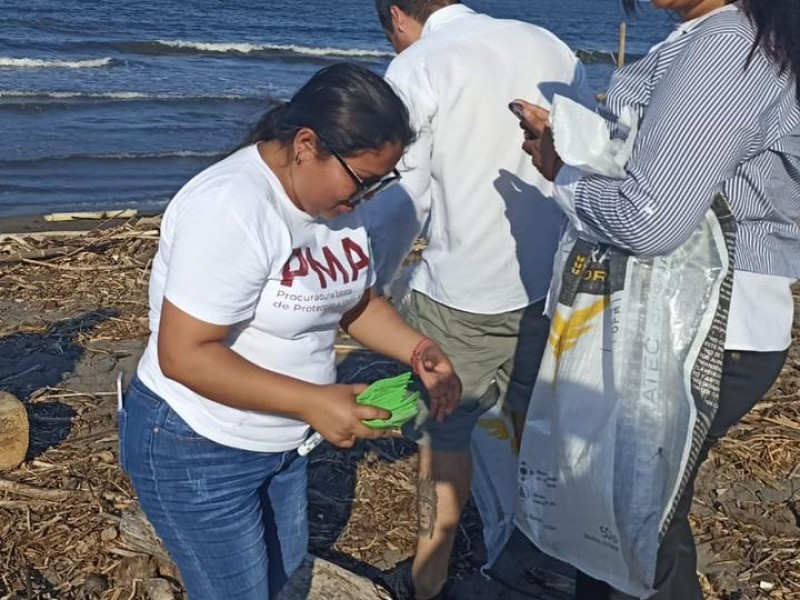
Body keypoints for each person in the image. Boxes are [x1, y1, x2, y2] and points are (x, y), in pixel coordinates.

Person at [117, 62, 462, 600]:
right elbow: (183, 355)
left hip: (283, 442)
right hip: (196, 443)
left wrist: (418, 348)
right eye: (364, 180)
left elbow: (356, 300)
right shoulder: (232, 208)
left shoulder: (335, 202)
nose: (368, 198)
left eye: (383, 182)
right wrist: (314, 402)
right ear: (306, 145)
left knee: (282, 580)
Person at [514, 0, 800, 598]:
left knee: (627, 529)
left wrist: (560, 171)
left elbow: (651, 219)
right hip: (689, 318)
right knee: (630, 521)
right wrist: (579, 144)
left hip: (698, 326)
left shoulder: (726, 44)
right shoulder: (728, 36)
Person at [366, 2, 593, 598]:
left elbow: (402, 194)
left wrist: (372, 291)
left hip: (462, 290)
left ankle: (428, 578)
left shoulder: (419, 64)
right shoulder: (550, 44)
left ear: (396, 16)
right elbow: (587, 157)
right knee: (527, 425)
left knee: (443, 438)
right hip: (550, 284)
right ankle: (528, 555)